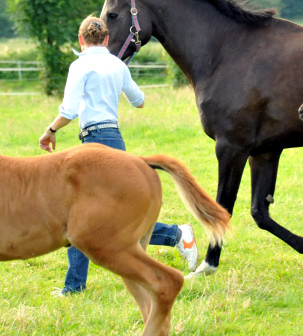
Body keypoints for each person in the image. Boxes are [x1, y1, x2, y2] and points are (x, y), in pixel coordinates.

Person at [38, 15, 197, 296]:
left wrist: (50, 130)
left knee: (82, 214)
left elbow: (68, 111)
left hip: (93, 142)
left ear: (81, 40)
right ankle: (176, 235)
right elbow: (139, 100)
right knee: (104, 215)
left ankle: (75, 286)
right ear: (107, 39)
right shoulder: (117, 64)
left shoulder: (80, 65)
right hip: (114, 139)